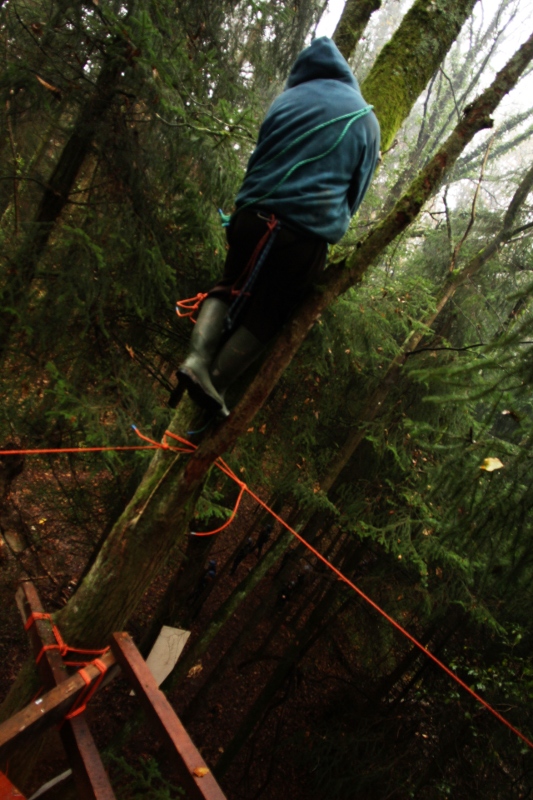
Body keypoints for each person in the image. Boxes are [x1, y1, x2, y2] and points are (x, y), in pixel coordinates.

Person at [170, 36, 380, 415]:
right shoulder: (365, 119)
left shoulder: (285, 101)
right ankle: (214, 384)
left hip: (249, 217)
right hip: (303, 238)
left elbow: (260, 157)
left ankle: (196, 360)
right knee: (270, 313)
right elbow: (354, 197)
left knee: (227, 286)